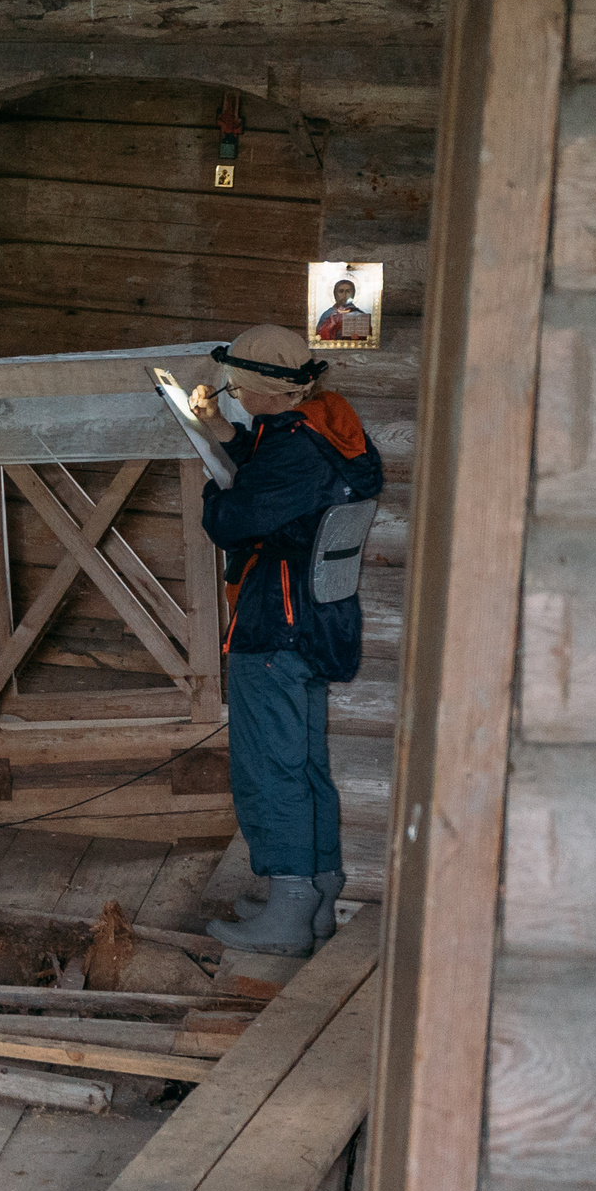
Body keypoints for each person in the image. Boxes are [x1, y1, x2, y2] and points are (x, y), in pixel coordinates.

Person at [186, 324, 385, 955]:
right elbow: (272, 470)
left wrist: (212, 494)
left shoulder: (292, 451)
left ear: (265, 389)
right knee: (305, 761)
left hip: (277, 618)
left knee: (269, 766)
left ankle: (288, 907)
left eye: (238, 386)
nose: (233, 393)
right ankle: (318, 898)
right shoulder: (326, 423)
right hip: (318, 616)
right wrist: (222, 433)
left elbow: (236, 518)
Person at [314, 275, 373, 344]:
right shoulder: (327, 315)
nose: (344, 295)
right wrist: (333, 325)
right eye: (341, 291)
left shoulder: (360, 315)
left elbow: (368, 339)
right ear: (335, 294)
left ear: (353, 294)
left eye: (348, 291)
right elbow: (319, 337)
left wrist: (359, 337)